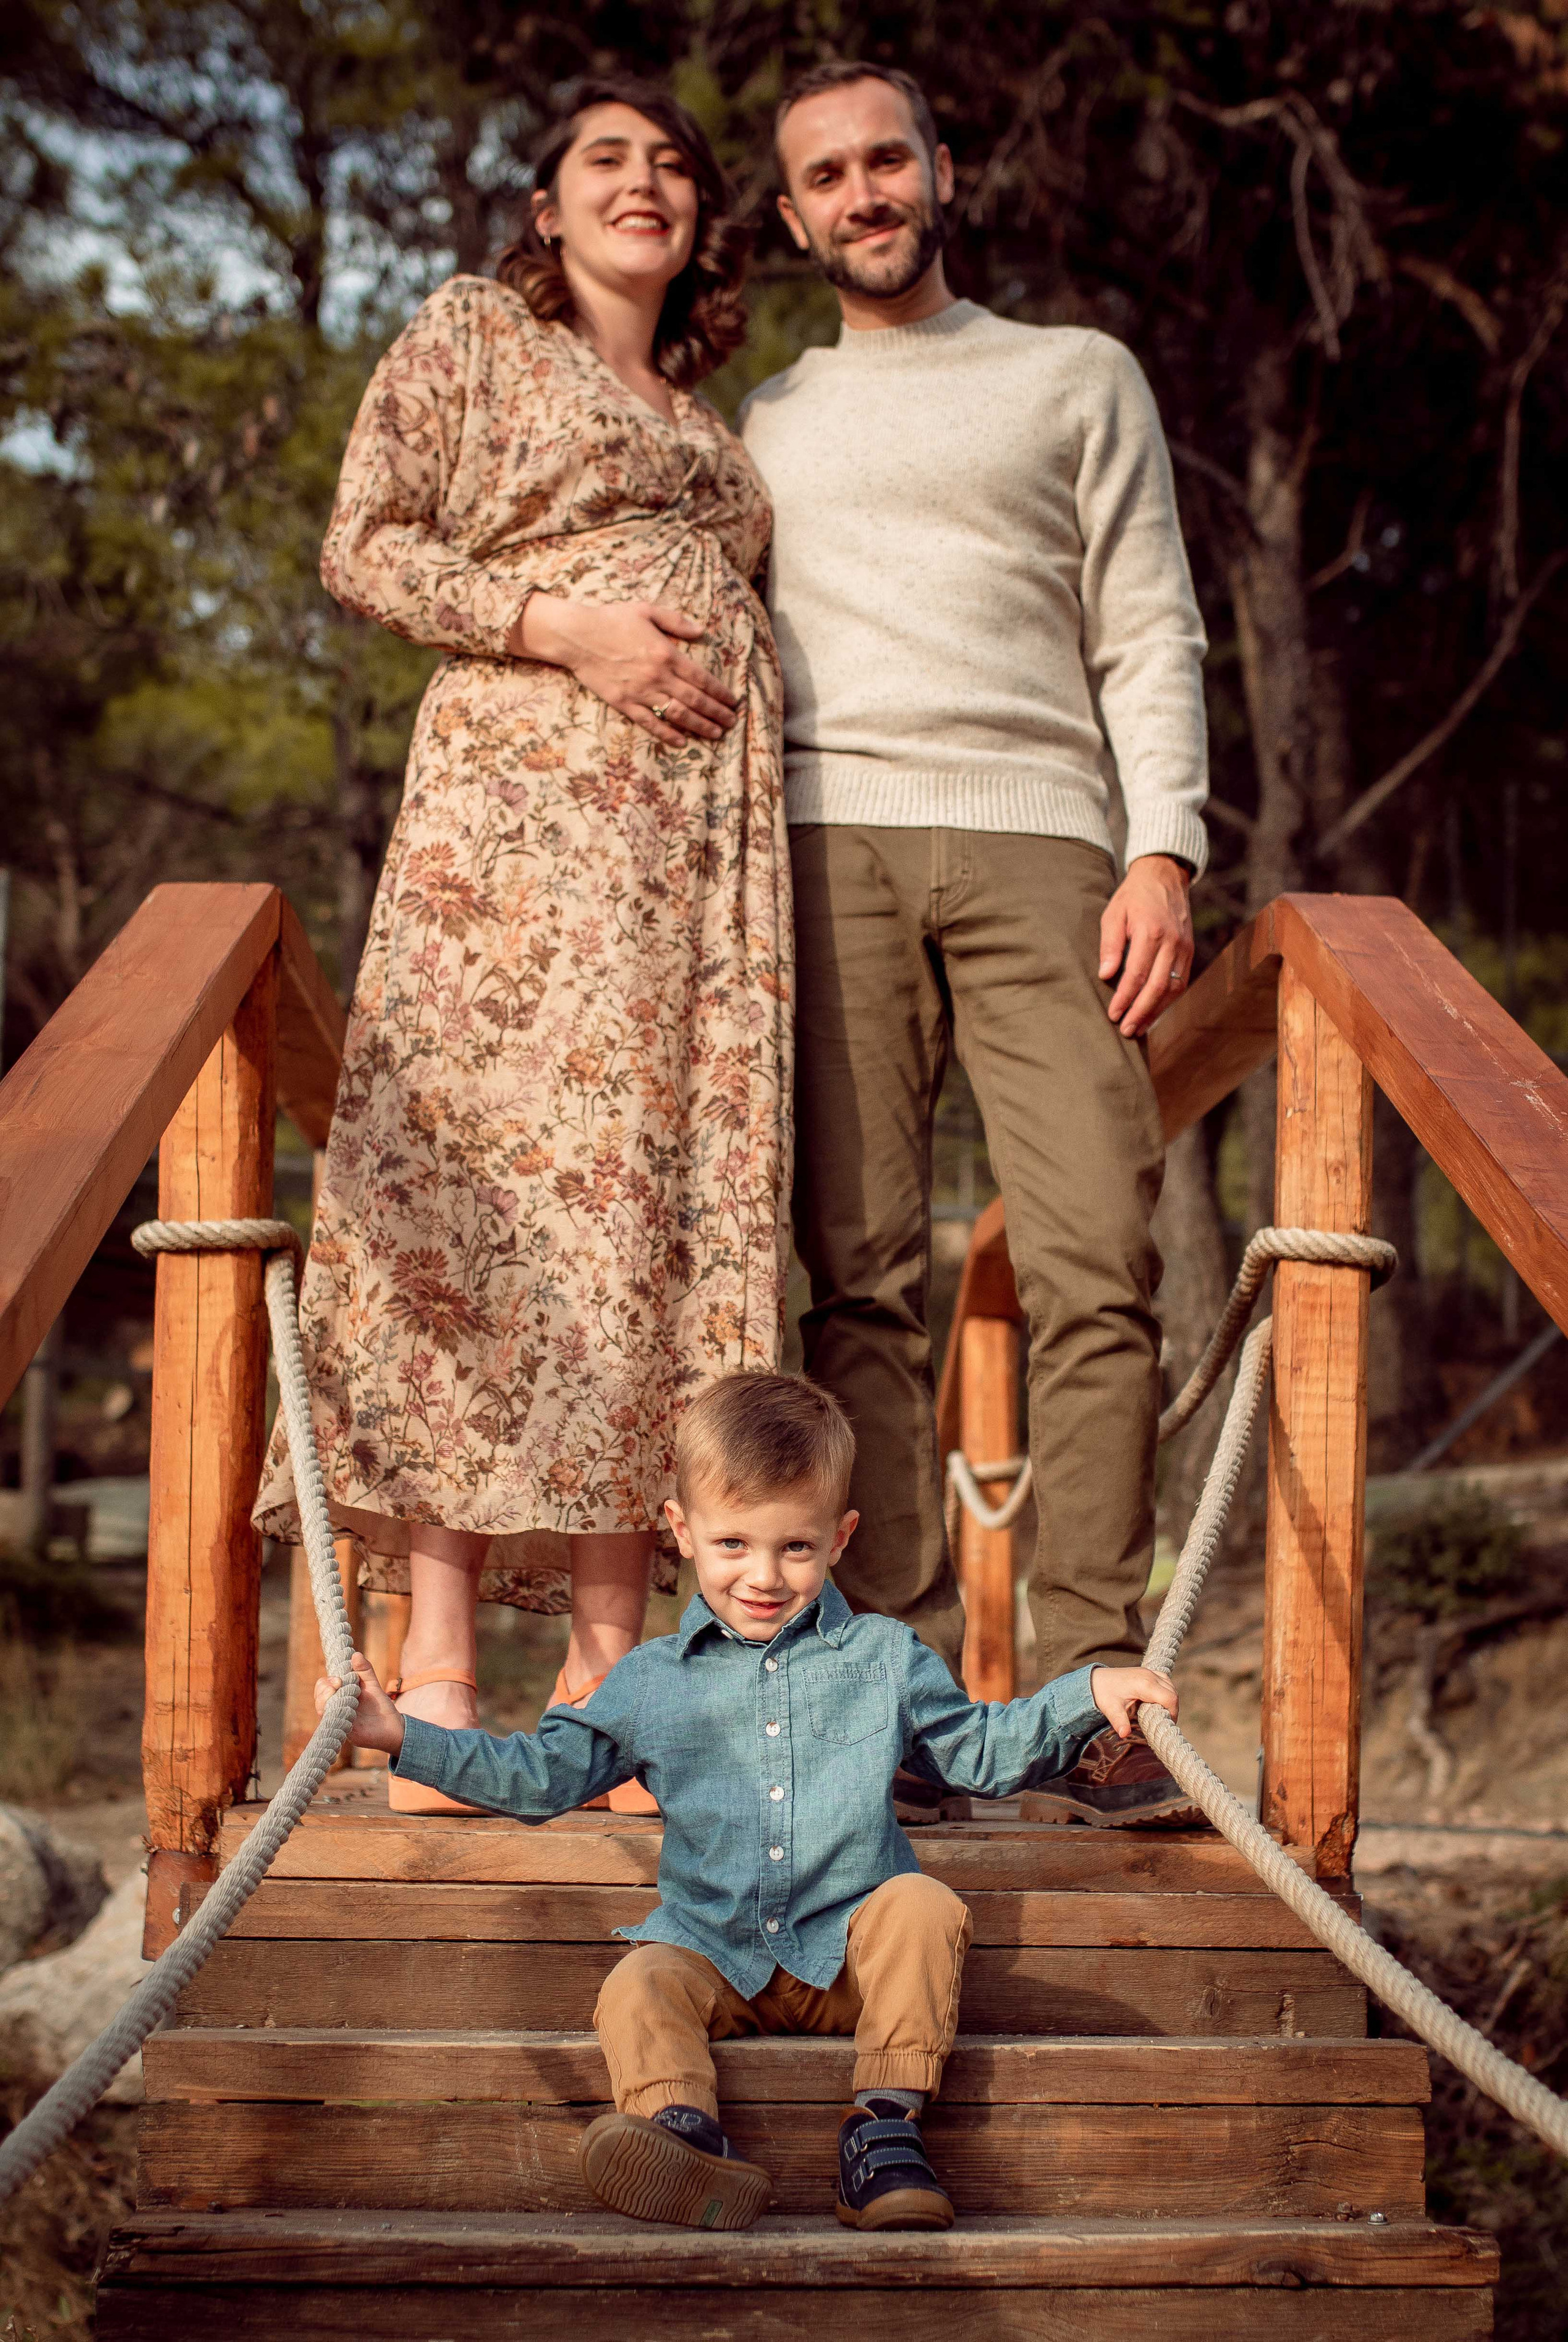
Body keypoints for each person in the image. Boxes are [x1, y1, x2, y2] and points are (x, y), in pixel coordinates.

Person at [255, 77, 791, 1814]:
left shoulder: (708, 412)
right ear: (546, 210)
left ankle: (613, 1677)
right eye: (604, 163)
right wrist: (568, 627)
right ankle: (431, 1676)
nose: (647, 184)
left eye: (675, 167)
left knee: (647, 1209)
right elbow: (362, 546)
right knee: (477, 1203)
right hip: (521, 826)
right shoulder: (477, 332)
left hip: (696, 864)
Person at [738, 62, 1210, 1824]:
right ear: (791, 218)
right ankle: (905, 1692)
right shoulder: (759, 421)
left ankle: (1097, 1692)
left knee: (1100, 1252)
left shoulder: (1076, 374)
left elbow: (1150, 627)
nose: (864, 192)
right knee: (856, 1276)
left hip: (1045, 844)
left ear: (944, 169)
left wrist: (1163, 844)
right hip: (825, 842)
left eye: (888, 158)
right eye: (826, 176)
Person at [319, 1369, 1178, 2229]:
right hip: (715, 1962)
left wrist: (1083, 1693)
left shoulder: (885, 1659)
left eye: (795, 1548)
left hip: (848, 1960)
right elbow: (539, 1778)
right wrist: (401, 1735)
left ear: (840, 1537)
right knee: (638, 1982)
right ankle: (682, 2135)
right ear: (683, 1532)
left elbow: (982, 1755)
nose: (763, 1575)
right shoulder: (649, 1681)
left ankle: (882, 2132)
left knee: (923, 1905)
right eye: (734, 1544)